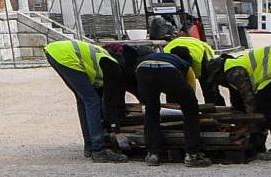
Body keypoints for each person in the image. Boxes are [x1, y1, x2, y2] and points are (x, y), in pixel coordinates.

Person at [43, 34, 131, 162]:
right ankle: (99, 150)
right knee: (92, 101)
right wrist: (116, 129)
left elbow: (106, 97)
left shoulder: (103, 61)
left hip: (55, 52)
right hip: (65, 55)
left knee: (83, 99)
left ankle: (90, 145)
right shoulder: (112, 66)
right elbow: (109, 102)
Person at [130, 37, 212, 168]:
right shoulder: (184, 63)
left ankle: (152, 154)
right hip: (168, 70)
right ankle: (192, 155)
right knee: (190, 109)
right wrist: (187, 103)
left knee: (151, 110)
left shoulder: (162, 54)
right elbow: (187, 89)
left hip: (143, 68)